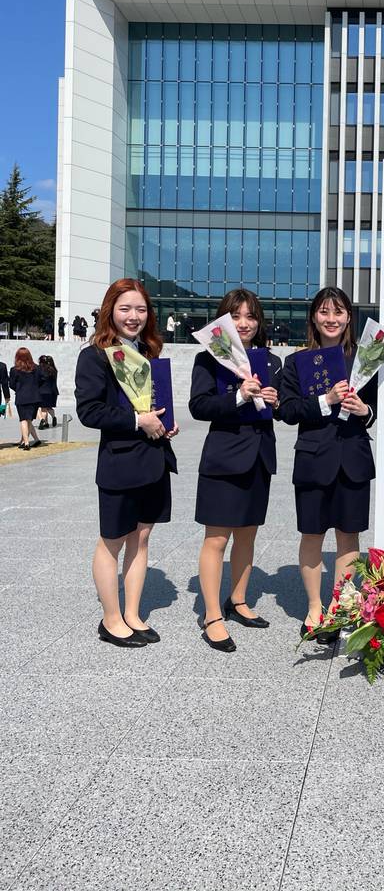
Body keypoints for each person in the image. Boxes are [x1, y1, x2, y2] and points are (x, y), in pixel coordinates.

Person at [75, 278, 179, 649]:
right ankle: (111, 618)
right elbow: (88, 411)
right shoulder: (96, 356)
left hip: (153, 459)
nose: (133, 316)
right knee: (112, 541)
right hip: (119, 462)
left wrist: (165, 423)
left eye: (140, 309)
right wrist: (138, 421)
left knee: (142, 537)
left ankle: (132, 613)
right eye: (125, 308)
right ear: (110, 311)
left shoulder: (148, 355)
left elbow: (156, 404)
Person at [279, 286, 377, 643]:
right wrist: (325, 400)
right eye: (324, 312)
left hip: (353, 458)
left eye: (338, 312)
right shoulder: (297, 362)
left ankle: (340, 607)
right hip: (313, 459)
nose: (331, 319)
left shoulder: (366, 360)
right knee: (312, 534)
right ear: (314, 318)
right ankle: (314, 607)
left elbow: (378, 409)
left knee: (349, 535)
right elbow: (286, 410)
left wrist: (364, 411)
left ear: (349, 317)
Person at [189, 289, 281, 652]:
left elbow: (282, 407)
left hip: (259, 457)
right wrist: (240, 395)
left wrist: (275, 401)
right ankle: (212, 616)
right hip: (224, 459)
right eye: (236, 316)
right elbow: (199, 406)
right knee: (216, 539)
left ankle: (238, 600)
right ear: (223, 320)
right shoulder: (207, 359)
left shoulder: (271, 361)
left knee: (247, 536)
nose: (243, 323)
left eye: (250, 316)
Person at [9, 348, 43, 451]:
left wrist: (19, 389)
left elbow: (12, 384)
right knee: (28, 420)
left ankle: (26, 442)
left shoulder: (14, 370)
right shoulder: (37, 368)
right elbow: (41, 380)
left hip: (22, 397)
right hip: (34, 397)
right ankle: (33, 440)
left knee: (23, 420)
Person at [37, 355, 59, 429]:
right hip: (53, 391)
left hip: (43, 391)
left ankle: (42, 421)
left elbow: (39, 380)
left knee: (43, 408)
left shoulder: (41, 370)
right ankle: (53, 417)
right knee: (49, 407)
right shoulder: (54, 370)